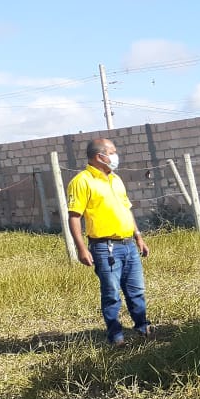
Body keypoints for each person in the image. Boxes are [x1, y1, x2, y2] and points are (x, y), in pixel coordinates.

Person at [67, 138, 153, 347]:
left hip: (128, 245)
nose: (116, 156)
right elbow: (74, 216)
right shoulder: (82, 181)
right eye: (113, 152)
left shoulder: (116, 179)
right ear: (100, 156)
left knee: (136, 290)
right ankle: (116, 338)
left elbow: (126, 209)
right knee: (112, 293)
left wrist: (138, 236)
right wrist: (81, 248)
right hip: (106, 248)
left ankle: (143, 328)